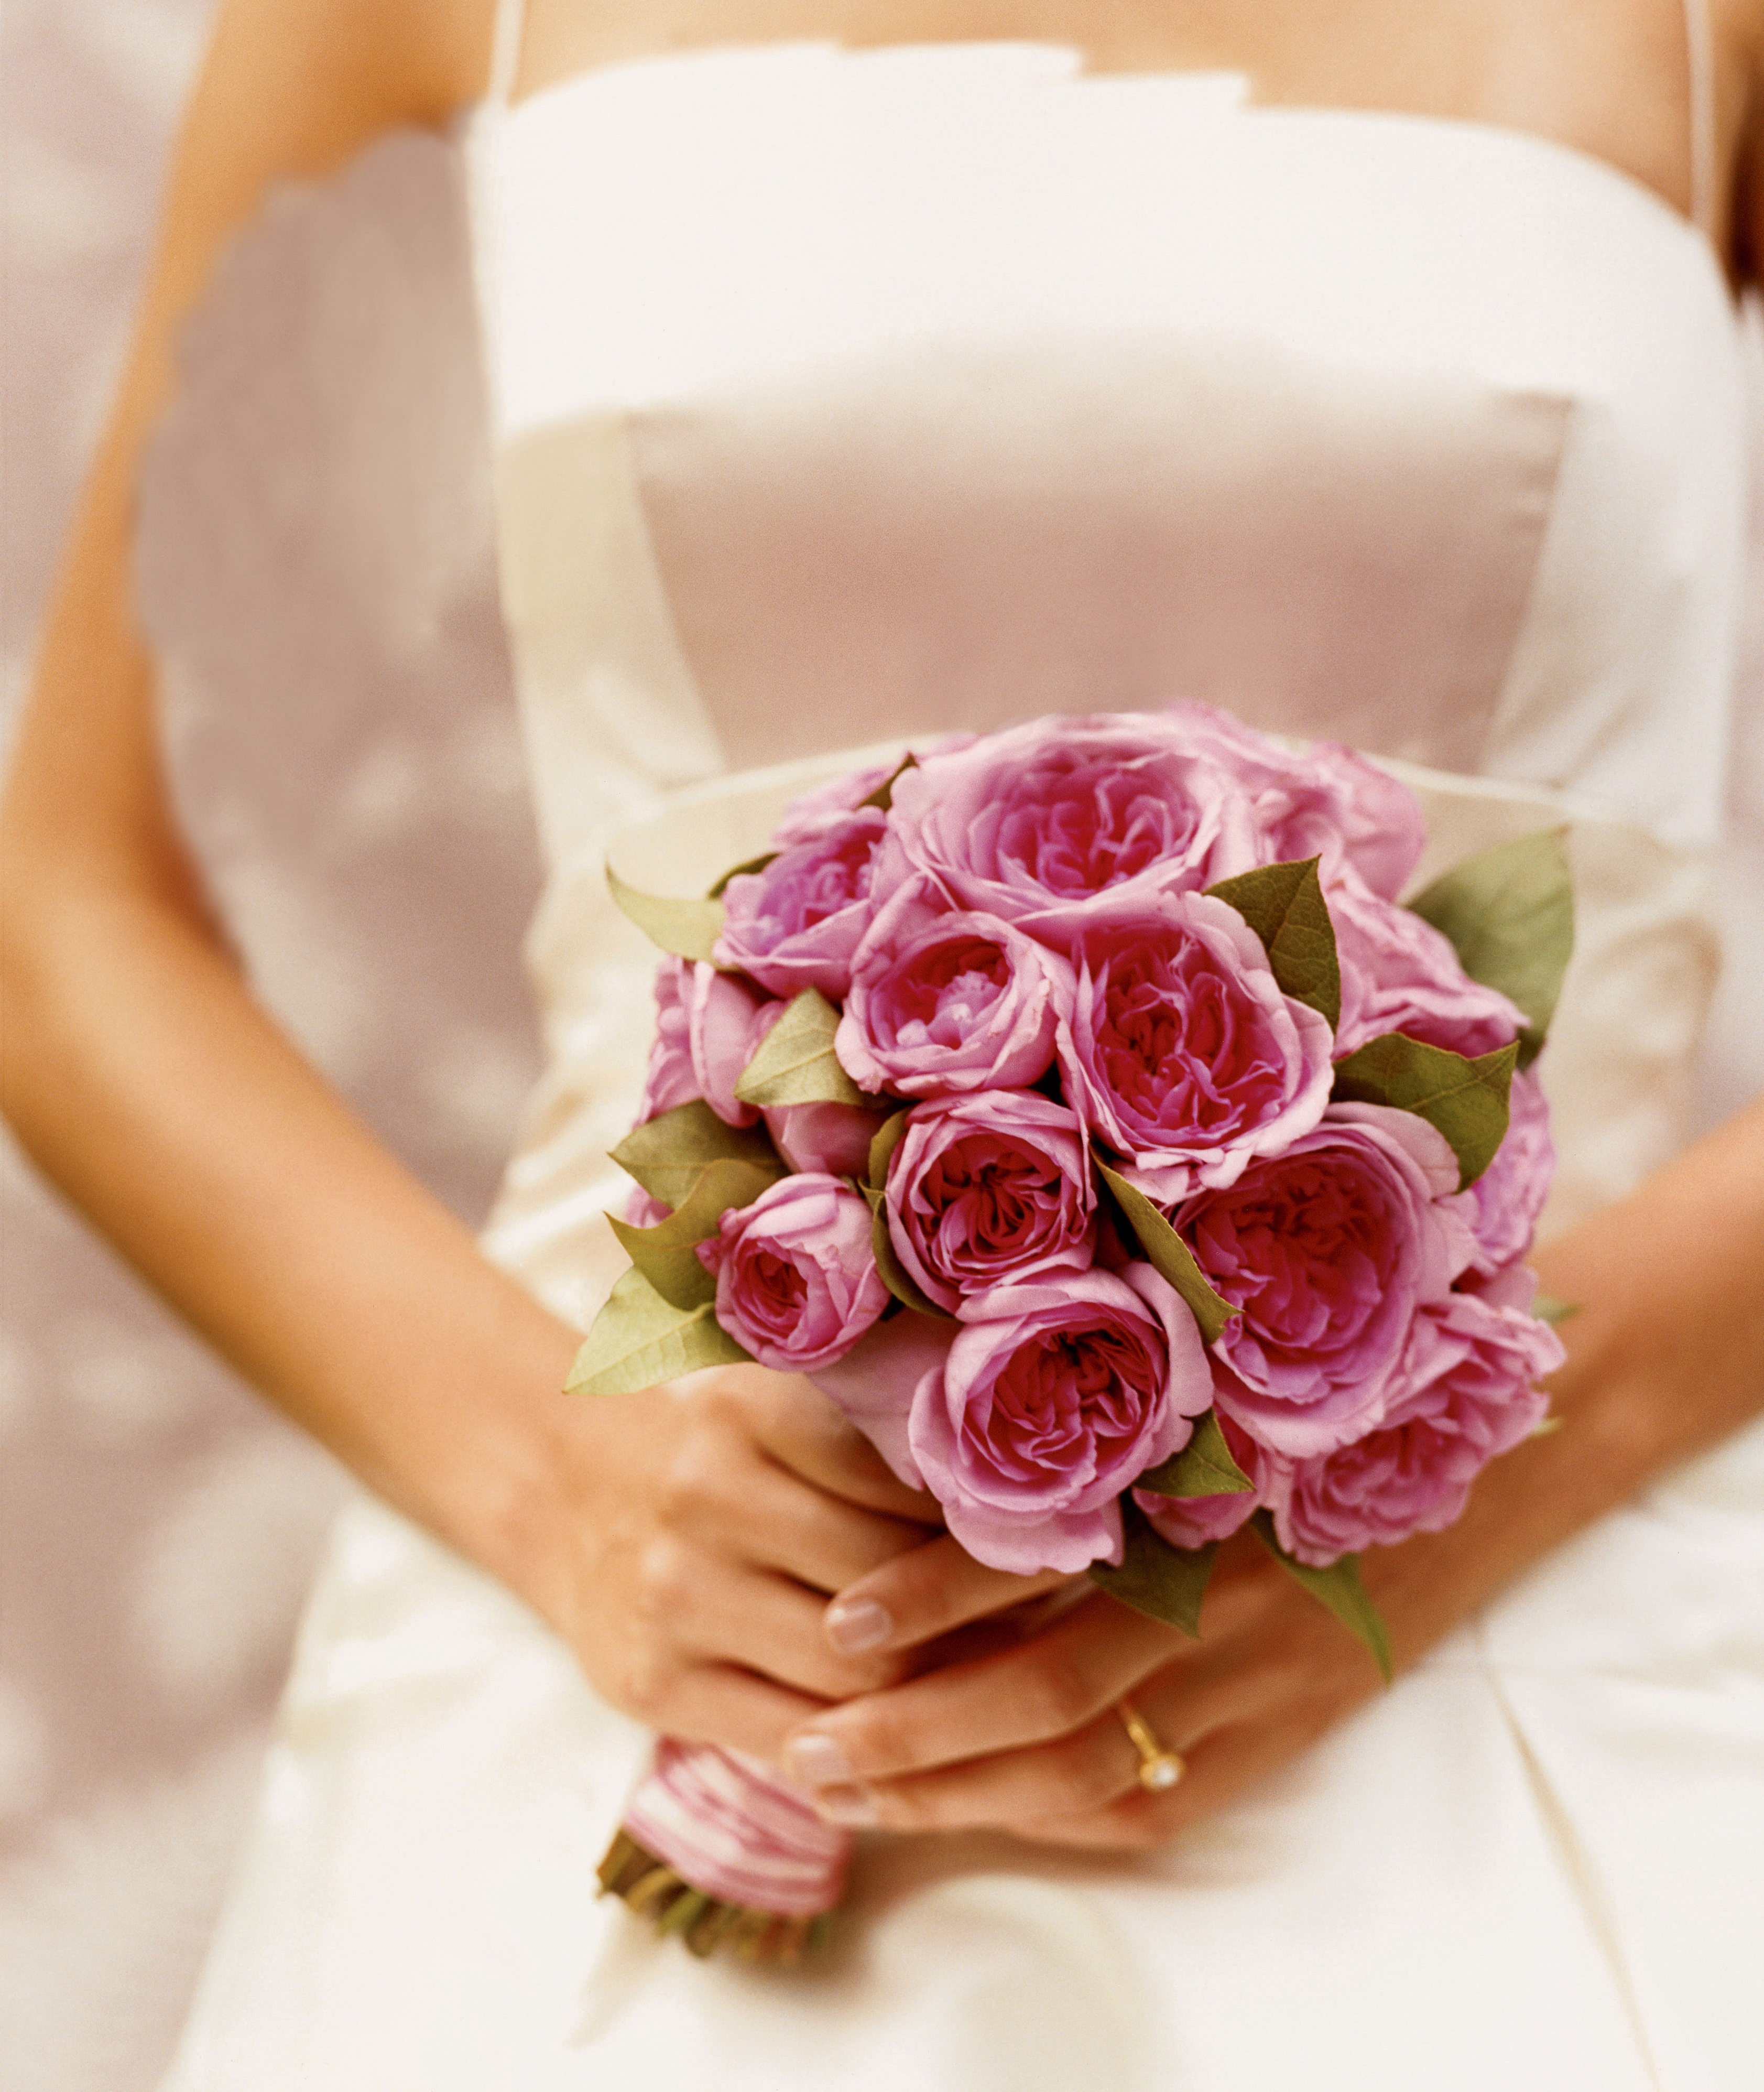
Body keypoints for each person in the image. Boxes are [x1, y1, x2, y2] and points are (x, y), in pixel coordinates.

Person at [3, 0, 1761, 2084]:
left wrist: (1498, 1444)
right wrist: (555, 1479)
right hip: (672, 1653)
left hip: (1536, 1653)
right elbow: (75, 902)